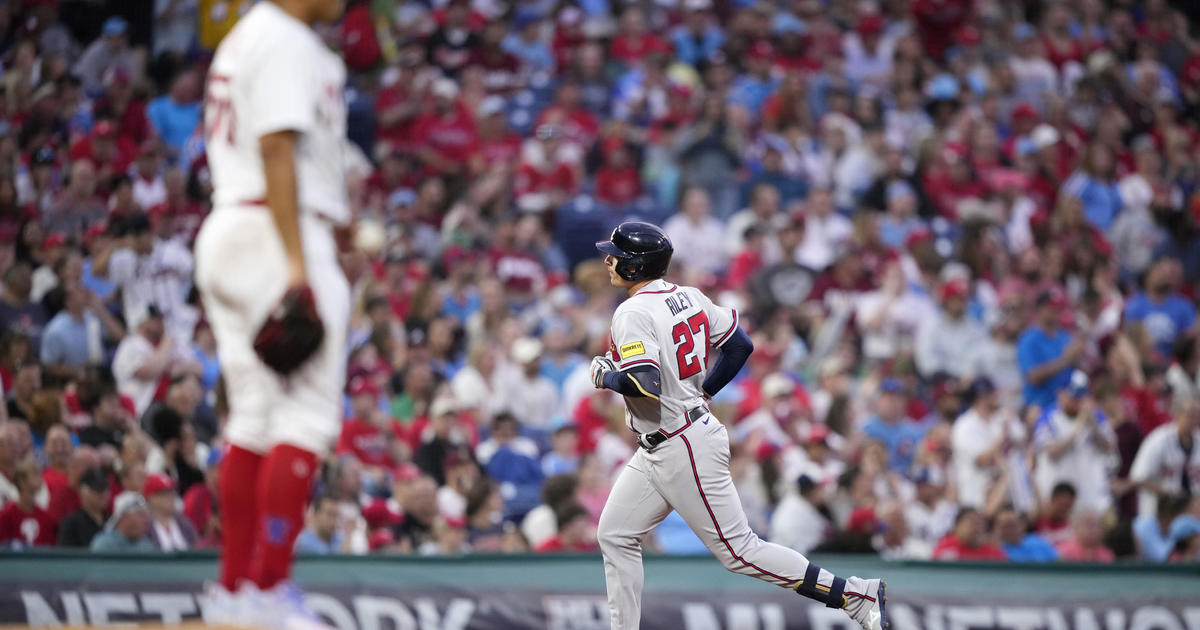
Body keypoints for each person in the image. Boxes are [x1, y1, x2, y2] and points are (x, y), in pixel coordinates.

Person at [590, 222, 886, 630]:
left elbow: (646, 384)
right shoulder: (688, 295)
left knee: (740, 552)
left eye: (617, 256)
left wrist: (605, 376)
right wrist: (706, 390)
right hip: (666, 440)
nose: (609, 260)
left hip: (681, 442)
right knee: (616, 534)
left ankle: (855, 594)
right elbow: (739, 345)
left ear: (637, 267)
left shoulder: (633, 311)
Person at [195, 0, 352, 624]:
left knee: (255, 419)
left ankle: (233, 593)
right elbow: (277, 147)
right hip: (275, 229)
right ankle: (266, 590)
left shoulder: (243, 36)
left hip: (232, 224)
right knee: (307, 415)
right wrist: (297, 266)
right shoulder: (285, 38)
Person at [1129, 396, 1200, 518]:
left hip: (1190, 512)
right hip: (1157, 512)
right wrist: (1169, 494)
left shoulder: (1198, 439)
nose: (1194, 420)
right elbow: (1138, 477)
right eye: (1190, 415)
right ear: (1178, 415)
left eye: (1197, 416)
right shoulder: (1158, 439)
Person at [0, 460, 57, 547]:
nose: (40, 478)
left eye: (39, 474)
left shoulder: (45, 518)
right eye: (35, 474)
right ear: (21, 481)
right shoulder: (6, 515)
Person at [58, 467, 111, 548]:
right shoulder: (72, 524)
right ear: (82, 491)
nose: (102, 494)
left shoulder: (112, 521)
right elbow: (67, 556)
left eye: (105, 489)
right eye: (97, 489)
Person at [145, 473, 198, 551]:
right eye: (166, 494)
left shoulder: (184, 523)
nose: (172, 497)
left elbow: (197, 547)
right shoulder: (145, 527)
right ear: (152, 498)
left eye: (172, 492)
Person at [90, 490, 156, 552]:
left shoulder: (145, 545)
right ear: (123, 517)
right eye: (140, 515)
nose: (146, 520)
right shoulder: (104, 544)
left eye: (146, 516)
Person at [931, 508, 1007, 561]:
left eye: (980, 523)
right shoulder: (946, 547)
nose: (976, 527)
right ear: (957, 526)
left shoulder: (993, 553)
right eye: (971, 522)